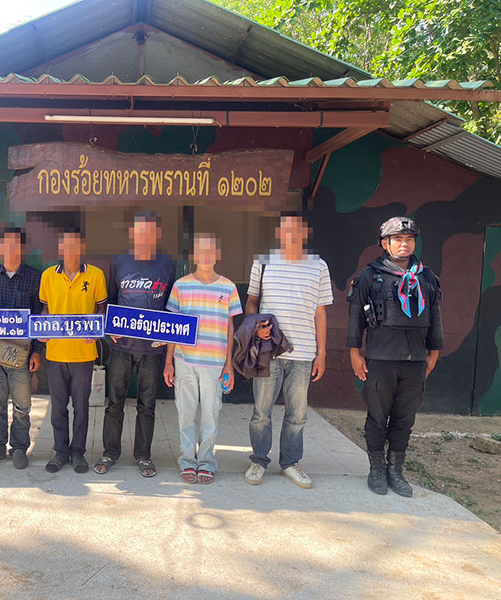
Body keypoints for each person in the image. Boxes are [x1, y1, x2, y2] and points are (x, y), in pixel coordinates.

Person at [347, 217, 443, 497]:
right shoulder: (370, 275)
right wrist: (355, 353)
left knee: (404, 418)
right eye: (398, 239)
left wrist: (434, 353)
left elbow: (435, 316)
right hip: (381, 359)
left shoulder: (426, 276)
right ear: (385, 243)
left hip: (415, 361)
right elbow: (356, 317)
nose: (404, 244)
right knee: (378, 416)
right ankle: (376, 470)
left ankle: (395, 471)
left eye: (409, 239)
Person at [243, 212, 332, 489]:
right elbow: (251, 302)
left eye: (297, 230)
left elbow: (320, 313)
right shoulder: (263, 262)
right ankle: (258, 461)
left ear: (305, 233)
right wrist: (256, 326)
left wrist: (321, 353)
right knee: (261, 412)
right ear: (279, 234)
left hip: (304, 354)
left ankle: (290, 463)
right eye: (286, 230)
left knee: (297, 415)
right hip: (269, 352)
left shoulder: (318, 266)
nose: (291, 235)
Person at [95, 212, 175, 478]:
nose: (145, 236)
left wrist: (167, 335)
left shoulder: (167, 263)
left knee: (147, 404)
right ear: (132, 233)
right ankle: (110, 452)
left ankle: (143, 455)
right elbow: (111, 300)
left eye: (150, 231)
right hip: (122, 346)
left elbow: (171, 306)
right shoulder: (119, 261)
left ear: (157, 234)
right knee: (114, 402)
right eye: (140, 231)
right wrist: (110, 327)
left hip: (153, 348)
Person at [163, 233, 241, 485]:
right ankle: (187, 460)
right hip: (184, 361)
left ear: (217, 255)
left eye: (210, 251)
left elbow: (230, 329)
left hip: (215, 363)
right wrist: (168, 362)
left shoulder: (228, 287)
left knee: (210, 416)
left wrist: (229, 364)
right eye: (200, 251)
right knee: (185, 414)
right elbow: (172, 327)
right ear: (193, 256)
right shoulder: (181, 286)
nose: (205, 256)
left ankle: (206, 462)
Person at [39, 228, 107, 474]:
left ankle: (78, 452)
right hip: (55, 353)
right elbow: (45, 309)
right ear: (60, 248)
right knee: (58, 407)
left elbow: (102, 308)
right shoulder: (48, 276)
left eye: (75, 245)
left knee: (81, 406)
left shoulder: (96, 275)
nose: (71, 250)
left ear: (82, 248)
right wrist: (42, 328)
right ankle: (60, 452)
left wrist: (96, 329)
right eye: (66, 245)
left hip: (83, 353)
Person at [0, 227, 43, 470]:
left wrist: (37, 351)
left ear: (23, 248)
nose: (11, 248)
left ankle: (19, 448)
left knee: (22, 406)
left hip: (22, 356)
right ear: (0, 248)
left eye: (16, 244)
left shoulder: (35, 277)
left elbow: (40, 318)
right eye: (6, 244)